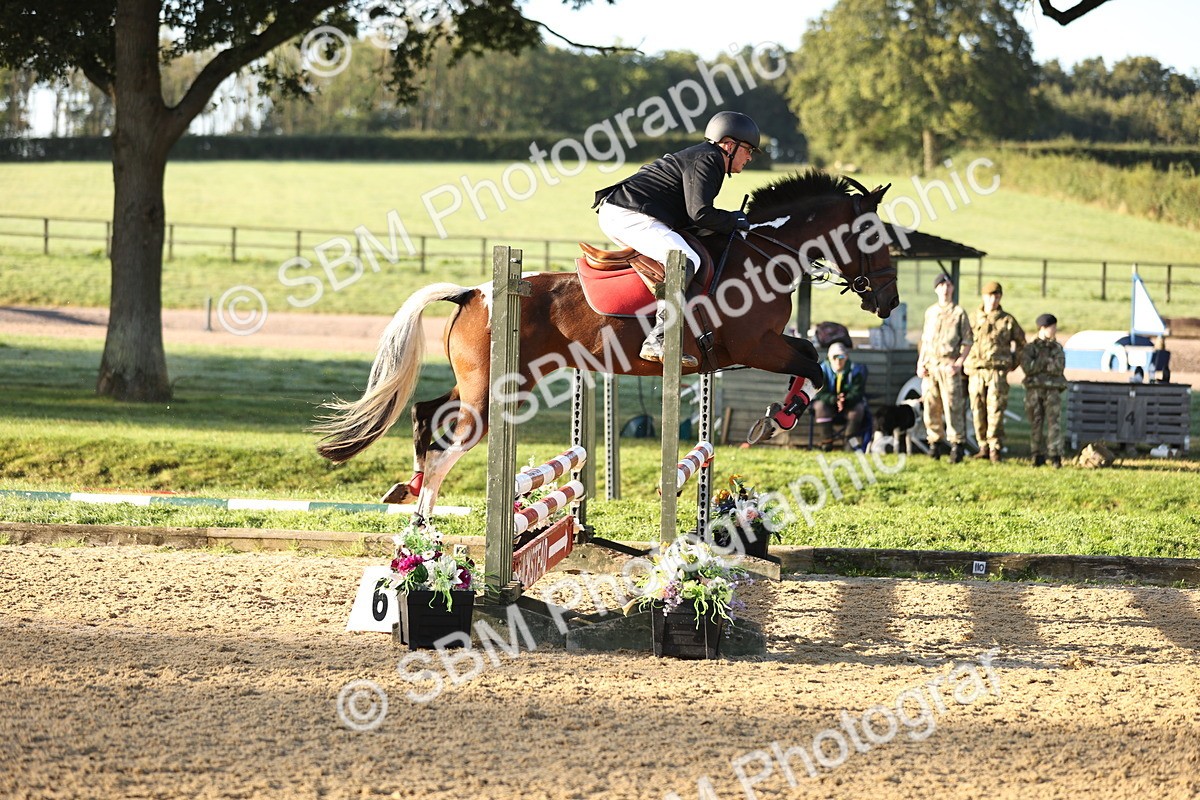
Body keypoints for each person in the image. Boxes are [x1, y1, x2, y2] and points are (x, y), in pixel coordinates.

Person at [592, 111, 759, 368]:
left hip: (629, 212)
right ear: (729, 145)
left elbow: (693, 217)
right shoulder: (708, 160)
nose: (749, 157)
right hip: (628, 214)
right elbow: (700, 213)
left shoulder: (708, 159)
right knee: (685, 259)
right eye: (748, 149)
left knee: (685, 252)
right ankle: (658, 339)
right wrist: (733, 220)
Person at [965, 281, 1025, 463]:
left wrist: (1013, 363)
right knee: (977, 408)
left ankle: (995, 449)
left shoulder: (1007, 320)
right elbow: (962, 341)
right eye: (990, 296)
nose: (993, 299)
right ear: (983, 297)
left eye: (997, 296)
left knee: (996, 410)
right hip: (976, 371)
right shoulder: (973, 318)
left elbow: (1021, 343)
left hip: (997, 371)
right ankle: (982, 445)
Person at [917, 273, 972, 463]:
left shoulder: (959, 313)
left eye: (948, 285)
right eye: (941, 285)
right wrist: (920, 363)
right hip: (931, 364)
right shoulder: (930, 312)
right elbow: (925, 340)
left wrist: (959, 363)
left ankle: (957, 445)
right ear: (936, 289)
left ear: (953, 288)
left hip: (949, 365)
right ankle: (935, 443)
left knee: (952, 406)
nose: (945, 289)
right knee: (931, 406)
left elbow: (967, 341)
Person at [1021, 313, 1067, 468]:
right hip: (1034, 389)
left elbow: (1058, 367)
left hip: (1052, 389)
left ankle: (1055, 455)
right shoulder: (1030, 347)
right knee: (1036, 422)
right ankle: (1036, 454)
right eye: (1052, 327)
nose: (1054, 330)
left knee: (1054, 423)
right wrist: (1046, 362)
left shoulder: (1057, 347)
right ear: (1043, 328)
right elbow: (1028, 368)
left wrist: (1039, 364)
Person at [812, 342, 868, 450]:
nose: (838, 360)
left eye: (841, 356)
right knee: (819, 407)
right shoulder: (822, 370)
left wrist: (845, 400)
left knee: (859, 408)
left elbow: (858, 392)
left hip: (849, 404)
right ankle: (826, 443)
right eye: (835, 357)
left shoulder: (856, 370)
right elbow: (820, 392)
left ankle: (849, 444)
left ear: (846, 357)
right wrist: (834, 399)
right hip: (828, 403)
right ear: (829, 357)